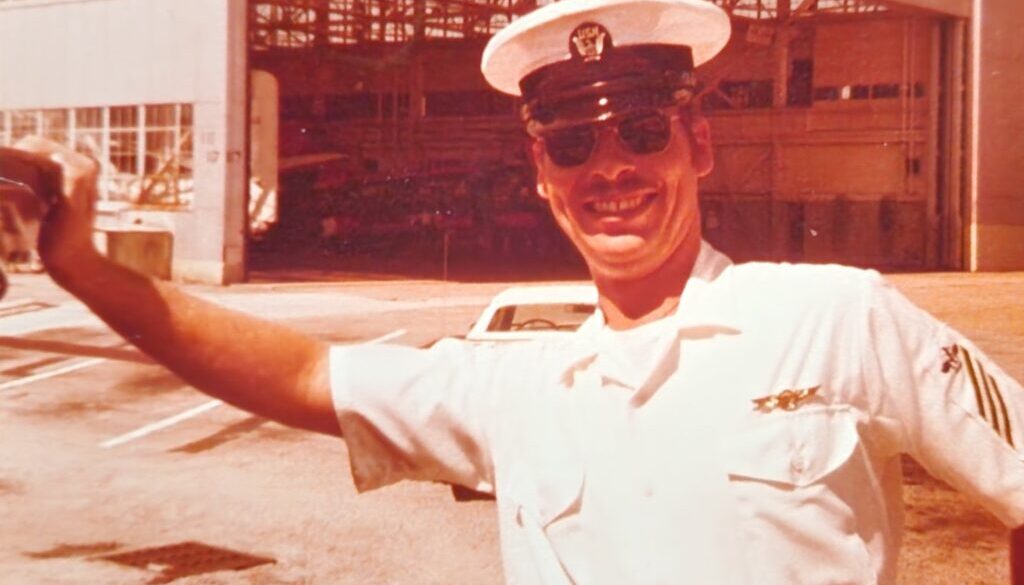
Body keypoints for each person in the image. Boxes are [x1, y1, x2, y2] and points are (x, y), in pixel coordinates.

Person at [8, 0, 1024, 583]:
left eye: (639, 131)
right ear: (542, 174)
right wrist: (85, 269)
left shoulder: (837, 318)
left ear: (696, 142)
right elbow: (305, 371)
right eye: (573, 144)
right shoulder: (517, 382)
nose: (610, 168)